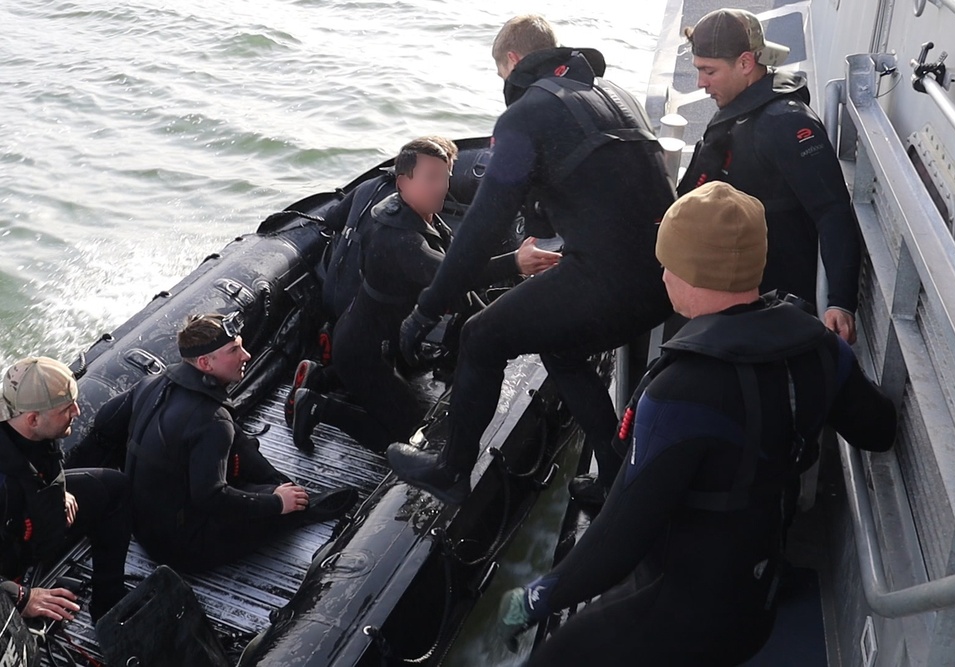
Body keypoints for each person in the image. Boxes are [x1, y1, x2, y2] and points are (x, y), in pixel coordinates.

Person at [495, 182, 897, 666]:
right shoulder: (819, 346)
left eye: (668, 263)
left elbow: (616, 544)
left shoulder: (678, 394)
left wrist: (531, 601)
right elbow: (880, 430)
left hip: (689, 617)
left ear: (692, 272)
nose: (662, 274)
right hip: (761, 595)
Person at [387, 15, 675, 505]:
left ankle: (451, 471)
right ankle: (613, 477)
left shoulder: (526, 116)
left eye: (502, 76)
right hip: (667, 278)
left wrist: (428, 309)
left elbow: (482, 228)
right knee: (560, 347)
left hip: (612, 282)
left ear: (514, 62)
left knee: (481, 336)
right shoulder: (614, 94)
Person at [291, 137, 560, 453]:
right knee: (411, 434)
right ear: (403, 182)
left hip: (377, 337)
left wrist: (492, 325)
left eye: (445, 177)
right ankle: (317, 407)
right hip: (363, 351)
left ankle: (322, 378)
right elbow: (451, 275)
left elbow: (458, 277)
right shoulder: (399, 238)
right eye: (430, 178)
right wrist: (515, 262)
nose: (441, 187)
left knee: (405, 374)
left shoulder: (420, 214)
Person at [81, 312, 357, 572]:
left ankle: (281, 485)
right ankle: (298, 508)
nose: (246, 355)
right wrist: (276, 504)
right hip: (180, 549)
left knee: (238, 438)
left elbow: (106, 419)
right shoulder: (211, 421)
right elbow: (211, 498)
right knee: (275, 501)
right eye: (234, 351)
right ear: (205, 363)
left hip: (143, 527)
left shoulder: (151, 384)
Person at [678, 8, 861, 344]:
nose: (700, 83)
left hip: (771, 304)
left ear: (746, 64)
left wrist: (840, 302)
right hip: (730, 280)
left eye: (709, 71)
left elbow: (832, 211)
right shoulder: (739, 109)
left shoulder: (786, 124)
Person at [0, 357, 130, 623]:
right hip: (8, 566)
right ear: (33, 419)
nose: (78, 412)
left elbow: (44, 464)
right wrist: (22, 597)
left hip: (38, 521)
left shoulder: (33, 427)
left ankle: (108, 604)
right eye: (66, 408)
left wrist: (60, 490)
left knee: (114, 488)